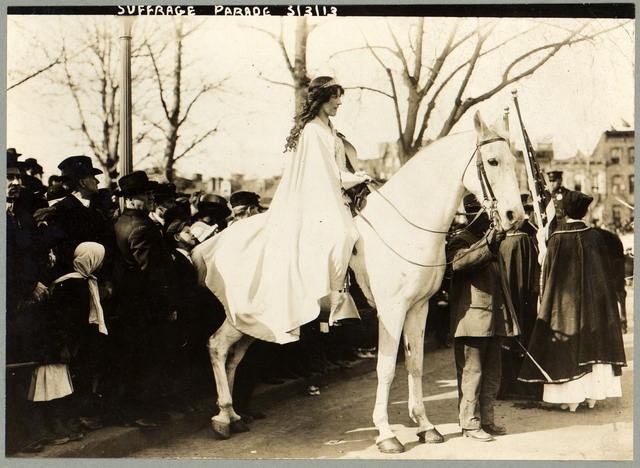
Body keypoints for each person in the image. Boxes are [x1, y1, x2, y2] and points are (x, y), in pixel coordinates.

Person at [194, 76, 370, 344]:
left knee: (356, 230)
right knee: (343, 233)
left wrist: (357, 176)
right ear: (322, 99)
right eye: (334, 97)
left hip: (333, 194)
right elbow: (325, 173)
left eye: (339, 96)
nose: (339, 102)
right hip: (317, 197)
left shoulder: (330, 129)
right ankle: (336, 298)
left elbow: (339, 170)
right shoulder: (312, 131)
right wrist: (355, 179)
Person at [518, 190, 627, 411]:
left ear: (565, 212)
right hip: (593, 305)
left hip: (563, 305)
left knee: (567, 344)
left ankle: (570, 399)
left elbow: (547, 271)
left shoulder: (557, 238)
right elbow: (605, 273)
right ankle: (592, 396)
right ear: (585, 211)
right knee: (593, 343)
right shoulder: (595, 237)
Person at [446, 194, 517, 442]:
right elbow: (459, 263)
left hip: (493, 321)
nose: (491, 220)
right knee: (472, 374)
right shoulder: (460, 240)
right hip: (471, 322)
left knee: (492, 375)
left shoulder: (488, 241)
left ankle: (487, 421)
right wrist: (488, 242)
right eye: (486, 215)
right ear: (474, 215)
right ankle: (469, 423)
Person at [112, 170, 175, 427]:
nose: (151, 198)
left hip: (129, 301)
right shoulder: (142, 227)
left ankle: (138, 409)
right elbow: (151, 273)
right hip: (145, 305)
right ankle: (143, 412)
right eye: (146, 194)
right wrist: (167, 304)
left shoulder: (120, 221)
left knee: (134, 357)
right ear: (132, 198)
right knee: (148, 357)